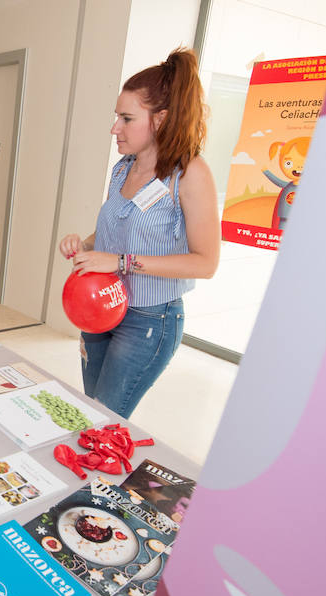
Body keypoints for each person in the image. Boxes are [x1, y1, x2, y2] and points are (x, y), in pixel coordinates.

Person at [58, 48, 219, 419]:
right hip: (101, 307)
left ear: (160, 120)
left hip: (148, 319)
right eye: (117, 116)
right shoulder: (122, 169)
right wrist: (82, 244)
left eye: (126, 118)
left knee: (105, 420)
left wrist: (119, 262)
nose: (115, 127)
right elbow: (112, 232)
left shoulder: (190, 174)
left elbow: (206, 263)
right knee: (91, 412)